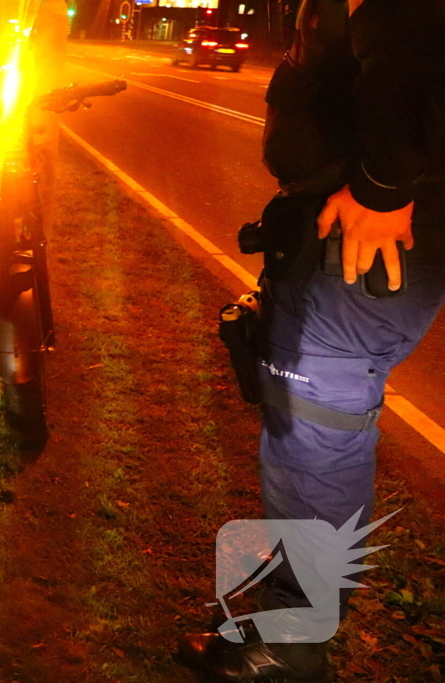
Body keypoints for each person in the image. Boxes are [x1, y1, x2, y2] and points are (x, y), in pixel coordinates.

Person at [180, 0, 445, 680]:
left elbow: (412, 46)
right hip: (340, 226)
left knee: (316, 423)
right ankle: (286, 607)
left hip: (370, 236)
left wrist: (385, 187)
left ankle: (293, 643)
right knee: (305, 418)